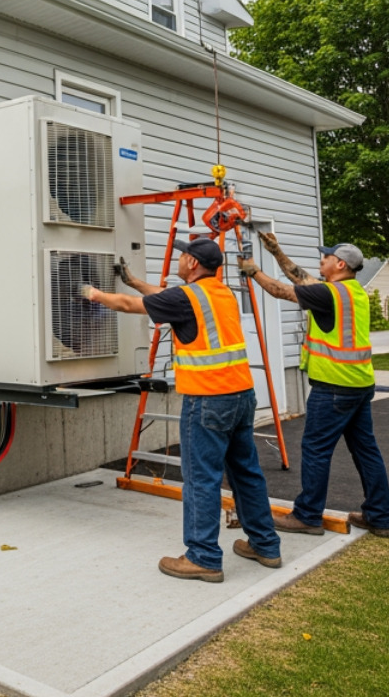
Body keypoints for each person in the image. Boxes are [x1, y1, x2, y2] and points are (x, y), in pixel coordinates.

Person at [83, 238, 283, 582]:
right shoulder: (221, 292)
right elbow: (165, 297)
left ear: (192, 263)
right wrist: (135, 281)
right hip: (241, 396)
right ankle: (266, 546)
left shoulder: (186, 297)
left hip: (207, 400)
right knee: (246, 474)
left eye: (182, 255)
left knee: (201, 480)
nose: (178, 259)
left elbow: (132, 305)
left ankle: (203, 557)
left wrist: (92, 294)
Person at [238, 238, 389, 537]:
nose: (321, 260)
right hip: (359, 383)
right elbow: (300, 278)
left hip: (333, 386)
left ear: (340, 264)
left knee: (315, 450)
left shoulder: (328, 293)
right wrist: (276, 252)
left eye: (327, 257)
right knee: (366, 451)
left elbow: (281, 290)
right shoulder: (352, 291)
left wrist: (252, 271)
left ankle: (307, 515)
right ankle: (378, 516)